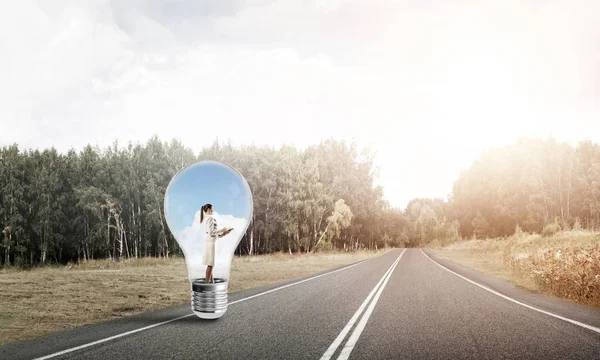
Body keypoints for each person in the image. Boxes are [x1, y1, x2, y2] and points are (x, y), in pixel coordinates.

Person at [200, 204, 232, 283]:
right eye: (212, 209)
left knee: (210, 264)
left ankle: (212, 281)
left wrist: (223, 234)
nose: (213, 211)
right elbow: (211, 232)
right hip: (210, 243)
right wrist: (222, 229)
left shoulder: (207, 219)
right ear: (208, 210)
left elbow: (212, 233)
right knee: (210, 264)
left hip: (209, 242)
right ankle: (206, 284)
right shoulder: (210, 218)